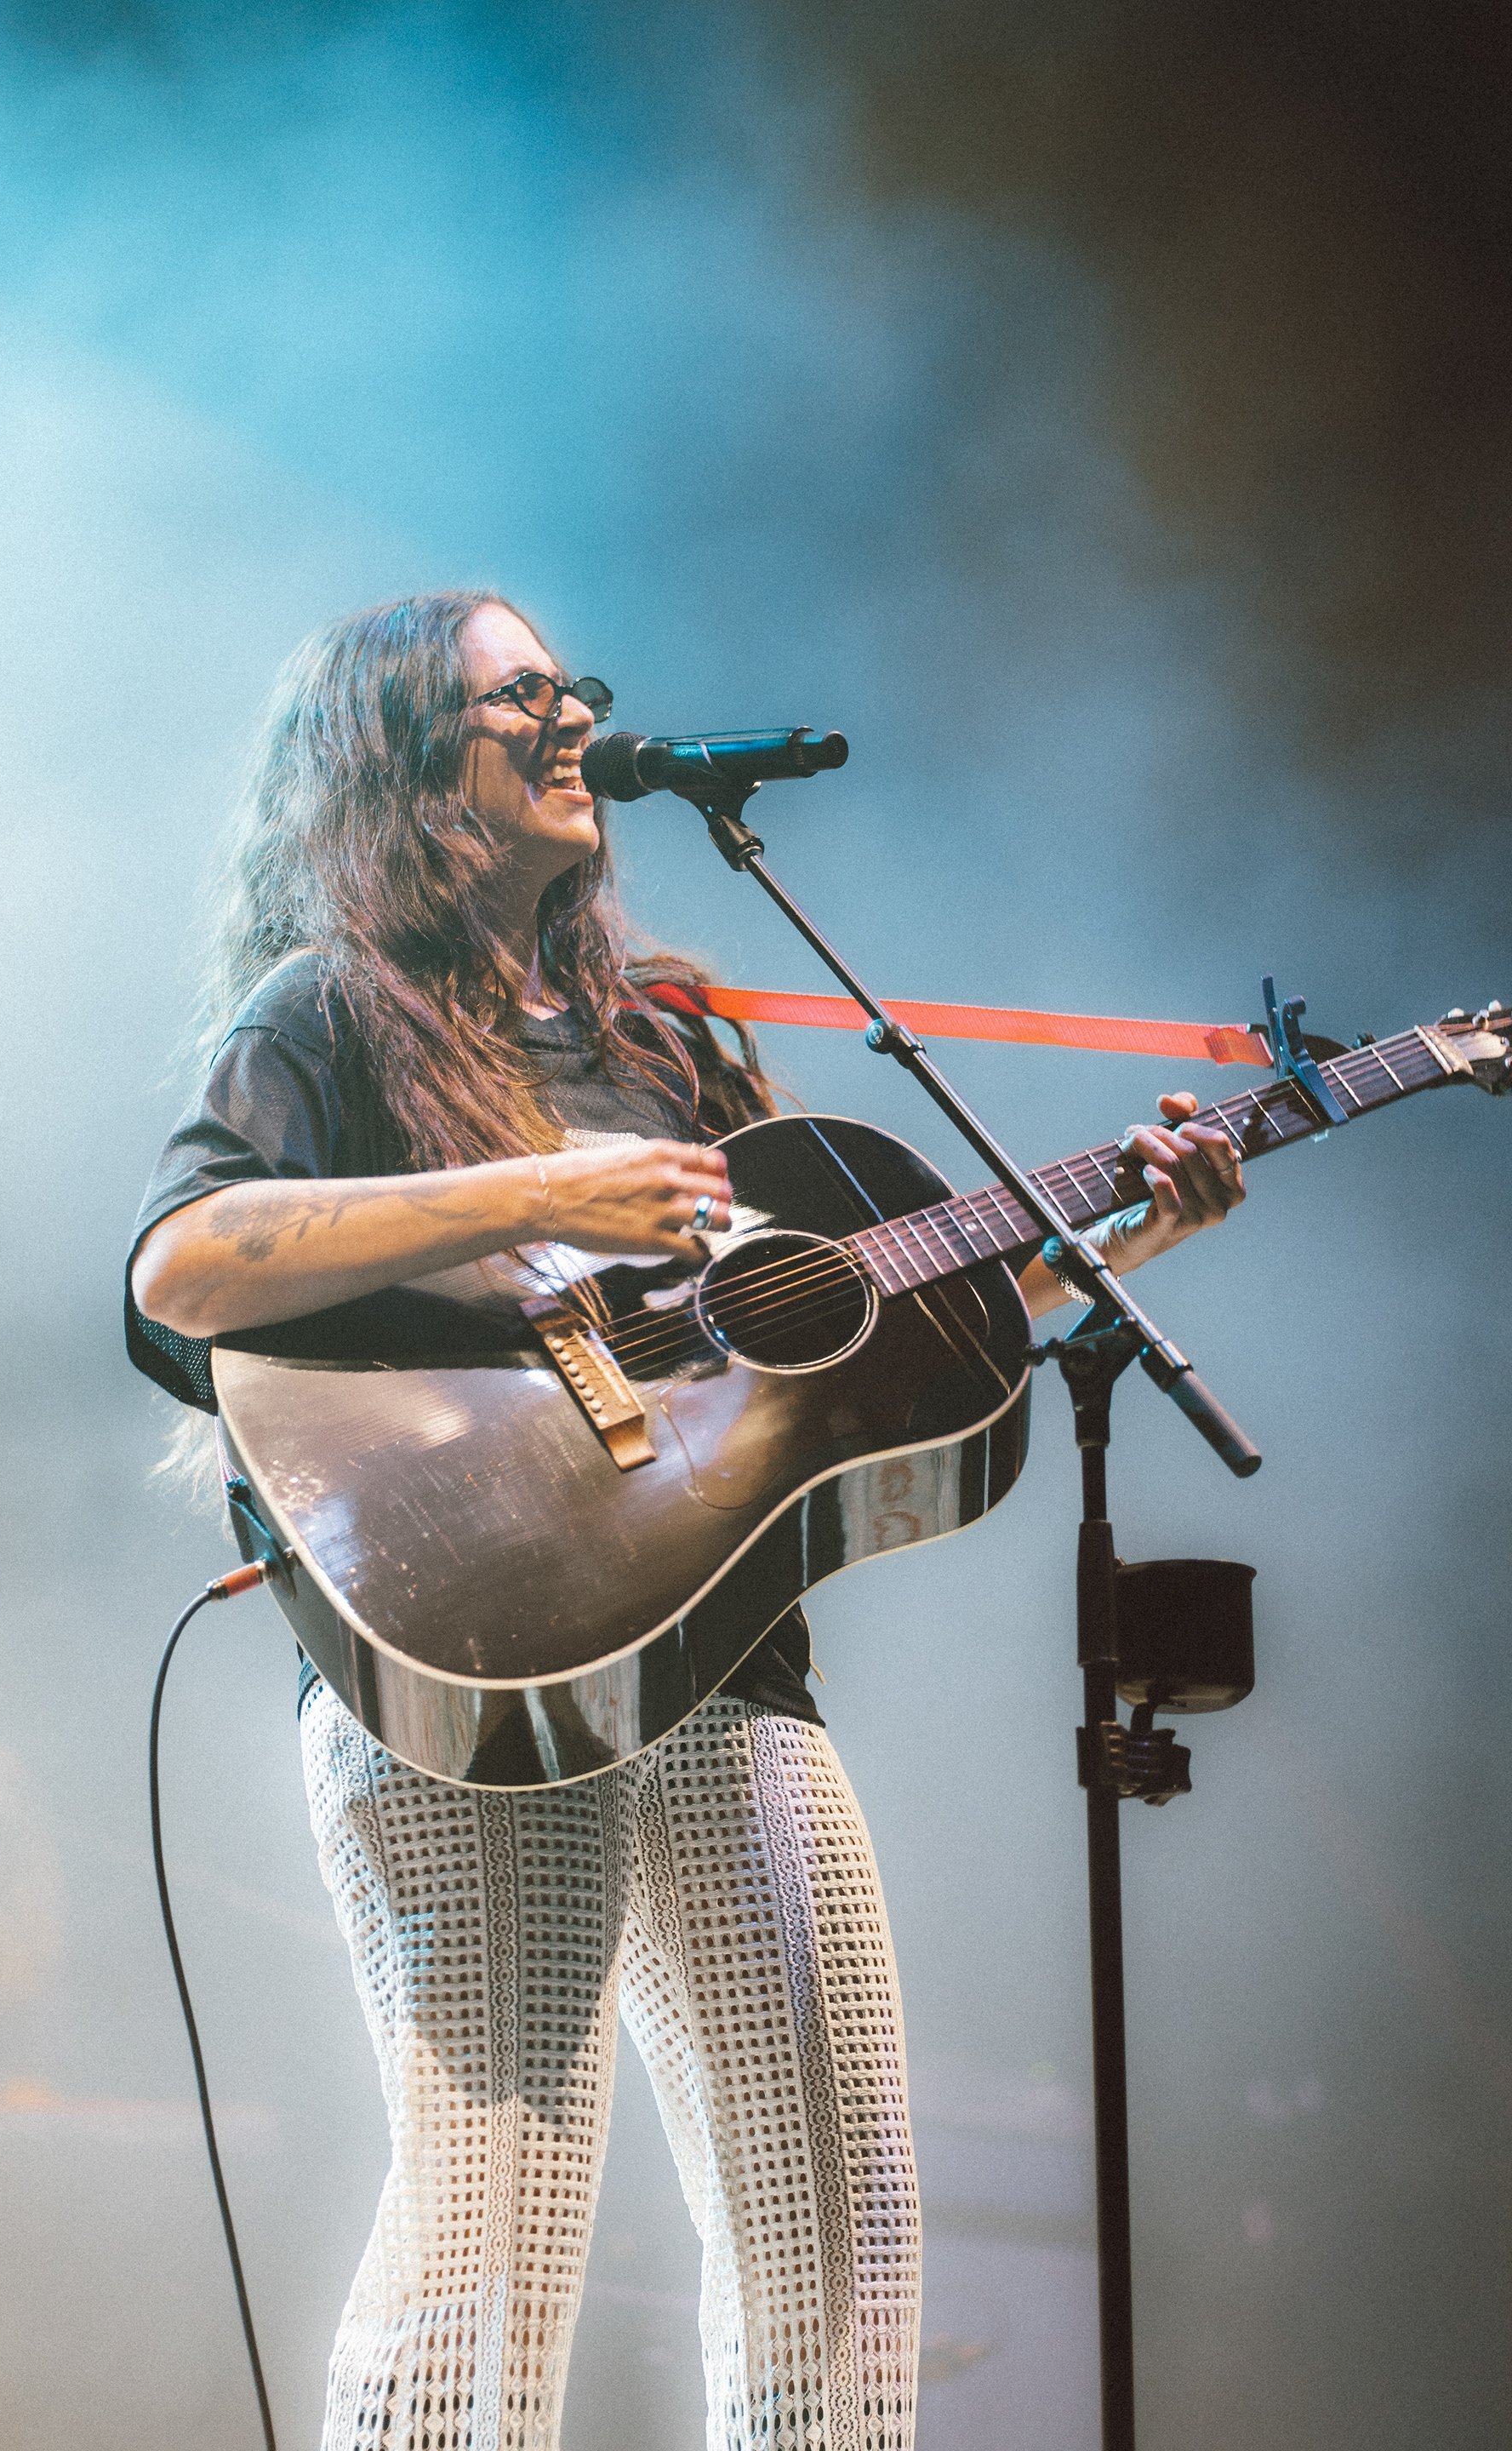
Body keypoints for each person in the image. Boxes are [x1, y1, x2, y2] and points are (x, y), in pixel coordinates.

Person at [127, 591, 1245, 2451]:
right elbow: (185, 1266)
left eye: (576, 691)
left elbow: (829, 1347)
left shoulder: (672, 1041)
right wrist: (528, 1189)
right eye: (520, 697)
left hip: (732, 1661)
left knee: (846, 2245)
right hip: (467, 1657)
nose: (573, 721)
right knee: (495, 2235)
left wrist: (1116, 1241)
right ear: (403, 760)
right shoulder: (326, 1013)